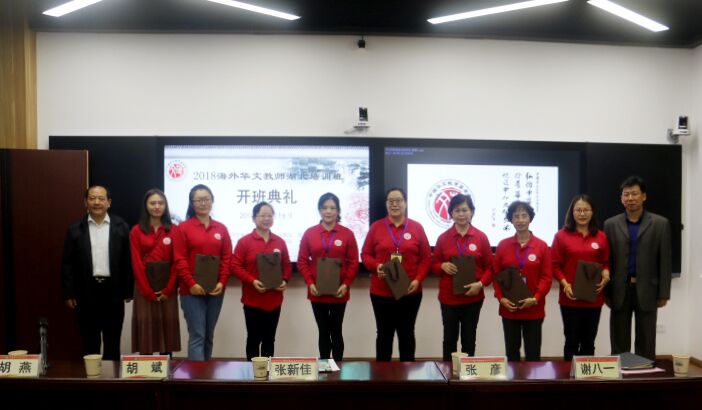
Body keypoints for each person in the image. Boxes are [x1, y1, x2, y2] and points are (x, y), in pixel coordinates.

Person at [60, 185, 133, 360]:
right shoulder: (75, 230)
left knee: (112, 339)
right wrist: (68, 293)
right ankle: (92, 376)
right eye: (92, 198)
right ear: (85, 202)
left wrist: (128, 290)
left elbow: (128, 261)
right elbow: (67, 264)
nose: (97, 202)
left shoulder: (121, 226)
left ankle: (111, 376)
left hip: (113, 290)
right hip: (85, 291)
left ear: (109, 202)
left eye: (101, 198)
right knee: (89, 340)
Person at [604, 176, 672, 360]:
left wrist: (664, 293)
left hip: (648, 289)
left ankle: (645, 373)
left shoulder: (660, 224)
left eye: (634, 193)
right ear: (621, 198)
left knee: (646, 339)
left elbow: (665, 261)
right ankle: (621, 373)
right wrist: (606, 292)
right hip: (619, 289)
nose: (630, 198)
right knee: (619, 340)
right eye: (626, 194)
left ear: (643, 196)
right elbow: (607, 261)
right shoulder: (610, 224)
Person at [361, 187, 431, 362]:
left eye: (398, 200)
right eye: (391, 201)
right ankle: (382, 374)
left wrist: (418, 280)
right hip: (381, 292)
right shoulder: (376, 227)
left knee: (407, 333)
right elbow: (365, 254)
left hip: (410, 292)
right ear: (386, 204)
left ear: (405, 203)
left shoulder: (416, 228)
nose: (395, 204)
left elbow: (426, 258)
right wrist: (376, 266)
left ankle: (407, 374)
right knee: (384, 334)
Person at [298, 193, 359, 362]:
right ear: (319, 210)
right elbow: (302, 260)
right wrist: (310, 283)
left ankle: (338, 368)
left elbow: (354, 262)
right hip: (316, 292)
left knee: (336, 331)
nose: (328, 211)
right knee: (323, 331)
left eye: (332, 208)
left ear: (338, 211)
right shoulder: (310, 233)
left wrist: (346, 284)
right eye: (324, 207)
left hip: (340, 291)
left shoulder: (347, 234)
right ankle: (324, 366)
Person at [173, 184, 232, 361]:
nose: (203, 203)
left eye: (206, 199)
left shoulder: (221, 228)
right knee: (197, 334)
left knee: (208, 335)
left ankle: (206, 373)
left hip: (215, 290)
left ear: (212, 200)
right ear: (192, 203)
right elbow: (179, 259)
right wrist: (191, 283)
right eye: (198, 200)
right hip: (190, 291)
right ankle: (197, 376)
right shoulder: (183, 228)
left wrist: (222, 282)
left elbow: (227, 258)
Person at [431, 194, 493, 361]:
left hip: (473, 298)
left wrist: (480, 284)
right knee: (449, 340)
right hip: (449, 298)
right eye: (457, 210)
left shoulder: (481, 237)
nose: (461, 214)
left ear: (472, 212)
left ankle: (467, 373)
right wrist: (442, 266)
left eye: (465, 210)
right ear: (451, 213)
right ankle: (447, 373)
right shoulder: (443, 238)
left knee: (469, 339)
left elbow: (490, 267)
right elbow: (434, 264)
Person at [552, 194, 610, 361]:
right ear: (572, 212)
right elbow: (555, 265)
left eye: (586, 210)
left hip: (594, 298)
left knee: (589, 342)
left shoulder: (601, 237)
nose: (582, 214)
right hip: (570, 298)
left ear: (592, 212)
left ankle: (587, 375)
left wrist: (606, 273)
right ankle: (569, 376)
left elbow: (606, 262)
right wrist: (565, 284)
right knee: (571, 341)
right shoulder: (561, 236)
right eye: (578, 210)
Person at [231, 202, 292, 360]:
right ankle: (252, 372)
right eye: (262, 215)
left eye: (270, 215)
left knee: (269, 339)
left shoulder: (279, 242)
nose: (266, 218)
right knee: (253, 338)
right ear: (253, 218)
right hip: (252, 300)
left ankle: (267, 372)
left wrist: (285, 280)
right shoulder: (244, 242)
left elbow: (287, 265)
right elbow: (235, 266)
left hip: (274, 300)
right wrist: (252, 281)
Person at [493, 201, 552, 362]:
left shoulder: (541, 246)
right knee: (511, 353)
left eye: (524, 216)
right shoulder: (503, 245)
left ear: (530, 218)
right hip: (509, 308)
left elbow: (546, 277)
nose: (520, 220)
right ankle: (513, 379)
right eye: (516, 216)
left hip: (534, 308)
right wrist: (501, 298)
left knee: (533, 353)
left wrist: (536, 298)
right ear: (511, 220)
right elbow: (496, 275)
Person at [129, 189, 181, 354]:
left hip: (167, 287)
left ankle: (167, 366)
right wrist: (147, 291)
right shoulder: (136, 230)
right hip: (144, 287)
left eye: (161, 203)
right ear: (146, 206)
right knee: (146, 328)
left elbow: (177, 262)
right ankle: (147, 367)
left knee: (167, 327)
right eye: (152, 203)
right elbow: (136, 263)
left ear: (166, 206)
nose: (157, 206)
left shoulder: (174, 230)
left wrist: (169, 289)